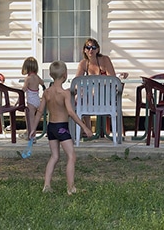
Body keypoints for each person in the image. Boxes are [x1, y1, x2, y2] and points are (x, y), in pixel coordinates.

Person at [32, 60, 93, 195]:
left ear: (51, 74)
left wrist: (32, 129)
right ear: (65, 75)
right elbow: (71, 112)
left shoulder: (47, 93)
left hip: (51, 128)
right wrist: (85, 127)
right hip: (62, 128)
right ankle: (71, 188)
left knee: (54, 156)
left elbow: (39, 112)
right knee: (71, 156)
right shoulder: (65, 93)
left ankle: (46, 185)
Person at [74, 38, 116, 129]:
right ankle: (86, 128)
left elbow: (112, 79)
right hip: (88, 95)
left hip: (104, 93)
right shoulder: (83, 63)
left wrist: (97, 85)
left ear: (97, 49)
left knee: (85, 96)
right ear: (84, 50)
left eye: (93, 47)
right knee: (78, 97)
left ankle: (86, 130)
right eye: (88, 47)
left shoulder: (105, 60)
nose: (91, 50)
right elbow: (76, 81)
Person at [21, 56, 44, 141]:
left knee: (30, 119)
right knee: (35, 119)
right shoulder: (37, 77)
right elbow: (42, 83)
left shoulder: (28, 78)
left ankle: (31, 136)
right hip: (37, 100)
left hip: (31, 101)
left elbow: (23, 89)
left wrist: (18, 100)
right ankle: (30, 134)